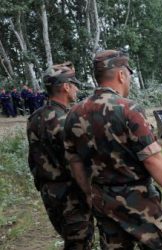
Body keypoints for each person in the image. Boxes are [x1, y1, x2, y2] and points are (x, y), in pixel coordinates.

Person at [64, 50, 162, 249]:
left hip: (102, 200)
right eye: (128, 76)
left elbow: (74, 161)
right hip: (137, 199)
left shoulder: (73, 114)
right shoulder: (128, 109)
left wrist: (88, 192)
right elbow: (152, 159)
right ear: (121, 75)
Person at [27, 62, 94, 249]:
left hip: (49, 193)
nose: (77, 89)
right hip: (71, 194)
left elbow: (33, 159)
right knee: (79, 242)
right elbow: (77, 162)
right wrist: (89, 192)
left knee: (71, 238)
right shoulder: (67, 120)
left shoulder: (35, 118)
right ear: (66, 87)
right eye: (74, 84)